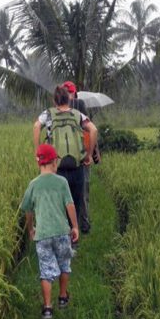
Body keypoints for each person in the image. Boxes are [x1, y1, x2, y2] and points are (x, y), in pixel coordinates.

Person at [20, 143, 80, 319]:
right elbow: (70, 205)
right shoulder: (61, 182)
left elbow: (28, 210)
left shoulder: (33, 184)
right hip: (62, 232)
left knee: (46, 270)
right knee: (64, 264)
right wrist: (75, 226)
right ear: (54, 162)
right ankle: (62, 297)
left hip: (43, 235)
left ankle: (47, 308)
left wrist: (31, 229)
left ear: (39, 163)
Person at [33, 85, 97, 237]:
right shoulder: (77, 114)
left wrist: (38, 152)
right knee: (74, 203)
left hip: (57, 167)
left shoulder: (48, 114)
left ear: (55, 100)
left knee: (58, 205)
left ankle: (59, 237)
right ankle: (73, 240)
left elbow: (36, 126)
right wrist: (88, 155)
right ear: (69, 99)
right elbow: (93, 130)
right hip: (77, 167)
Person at [62, 80, 98, 234]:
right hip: (81, 155)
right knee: (82, 191)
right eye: (69, 93)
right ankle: (82, 224)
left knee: (70, 192)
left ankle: (74, 224)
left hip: (65, 158)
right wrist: (93, 153)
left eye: (70, 92)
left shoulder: (58, 108)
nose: (70, 96)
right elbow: (90, 131)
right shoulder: (80, 104)